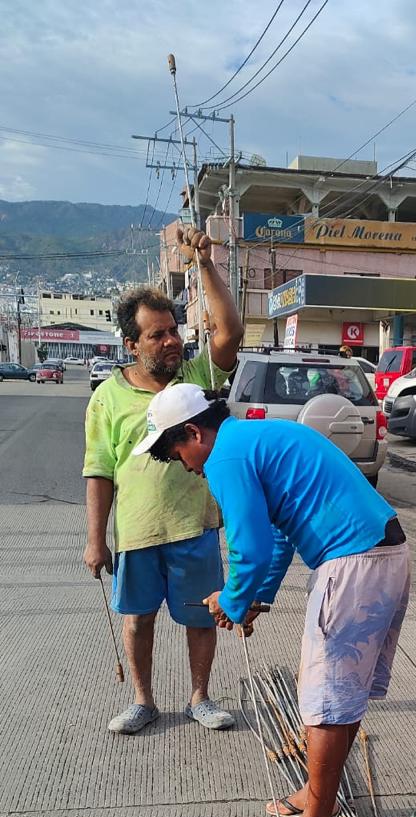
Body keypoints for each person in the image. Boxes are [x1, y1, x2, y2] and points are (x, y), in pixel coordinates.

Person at [133, 385, 411, 817]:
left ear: (194, 432)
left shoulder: (225, 459)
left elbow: (251, 547)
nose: (186, 468)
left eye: (178, 454)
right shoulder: (258, 438)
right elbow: (279, 532)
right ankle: (316, 795)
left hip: (354, 564)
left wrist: (233, 602)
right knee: (341, 694)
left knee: (324, 700)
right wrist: (258, 597)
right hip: (382, 555)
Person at [82, 225, 243, 734]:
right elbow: (99, 472)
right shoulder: (106, 398)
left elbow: (231, 334)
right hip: (136, 531)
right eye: (158, 334)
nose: (172, 340)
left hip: (195, 525)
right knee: (138, 618)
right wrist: (95, 540)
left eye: (174, 329)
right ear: (132, 344)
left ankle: (200, 697)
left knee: (202, 616)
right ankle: (143, 700)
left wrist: (206, 264)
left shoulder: (196, 379)